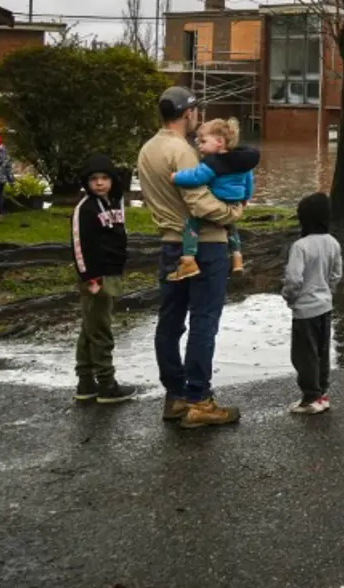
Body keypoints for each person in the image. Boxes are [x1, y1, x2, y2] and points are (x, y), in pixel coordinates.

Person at [137, 87, 244, 429]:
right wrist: (232, 213)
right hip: (204, 246)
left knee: (170, 321)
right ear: (187, 114)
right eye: (194, 110)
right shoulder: (182, 151)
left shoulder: (147, 150)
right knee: (203, 321)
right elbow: (198, 203)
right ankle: (199, 399)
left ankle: (176, 396)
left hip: (170, 246)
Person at [71, 154, 136, 404]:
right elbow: (79, 245)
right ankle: (107, 383)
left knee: (91, 327)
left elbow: (120, 235)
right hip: (95, 277)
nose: (99, 183)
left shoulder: (116, 203)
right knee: (101, 329)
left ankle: (86, 382)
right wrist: (89, 277)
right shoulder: (85, 209)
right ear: (86, 182)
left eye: (104, 178)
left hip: (112, 272)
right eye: (94, 179)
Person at [169, 117, 257, 280]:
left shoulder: (213, 163)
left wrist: (177, 177)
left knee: (191, 224)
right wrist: (245, 198)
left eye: (203, 141)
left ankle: (188, 260)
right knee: (230, 227)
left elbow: (196, 177)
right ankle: (237, 258)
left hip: (217, 198)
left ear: (219, 141)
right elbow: (249, 181)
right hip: (234, 200)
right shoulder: (242, 161)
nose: (199, 145)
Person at [283, 192, 343, 414]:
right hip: (325, 306)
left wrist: (289, 297)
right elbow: (336, 275)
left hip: (305, 309)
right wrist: (328, 293)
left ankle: (310, 396)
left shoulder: (300, 246)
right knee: (322, 351)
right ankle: (322, 393)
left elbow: (293, 279)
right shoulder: (333, 243)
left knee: (303, 354)